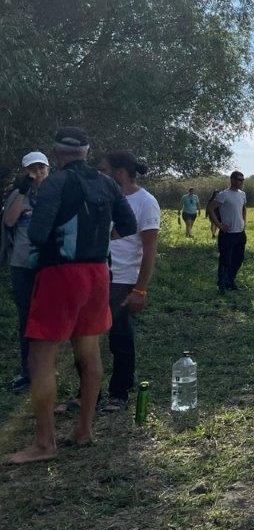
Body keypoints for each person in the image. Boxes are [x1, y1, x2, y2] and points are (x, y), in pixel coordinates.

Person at [5, 127, 136, 464]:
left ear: (57, 153)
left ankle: (44, 444)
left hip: (59, 274)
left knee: (41, 357)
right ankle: (84, 430)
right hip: (98, 273)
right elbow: (129, 225)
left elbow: (37, 233)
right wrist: (96, 240)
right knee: (89, 352)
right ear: (86, 152)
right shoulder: (107, 183)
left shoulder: (56, 183)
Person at [99, 152, 160, 413]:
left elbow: (149, 249)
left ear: (120, 173)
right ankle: (86, 394)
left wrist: (140, 289)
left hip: (124, 280)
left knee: (120, 339)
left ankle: (119, 393)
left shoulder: (145, 202)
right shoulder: (103, 198)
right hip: (97, 275)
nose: (100, 175)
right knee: (88, 340)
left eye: (104, 170)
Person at [2, 151, 50, 395]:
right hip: (22, 265)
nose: (38, 173)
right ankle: (27, 370)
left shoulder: (55, 193)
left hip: (48, 265)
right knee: (26, 318)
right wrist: (23, 192)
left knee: (48, 318)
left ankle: (46, 369)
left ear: (49, 169)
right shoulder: (18, 195)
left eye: (42, 168)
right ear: (25, 172)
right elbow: (9, 222)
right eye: (33, 169)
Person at [209, 171, 247, 294]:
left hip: (240, 233)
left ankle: (230, 282)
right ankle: (221, 285)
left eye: (243, 180)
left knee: (238, 259)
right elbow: (211, 209)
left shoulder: (242, 194)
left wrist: (243, 222)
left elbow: (243, 209)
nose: (241, 182)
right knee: (225, 260)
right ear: (232, 180)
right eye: (239, 179)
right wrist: (219, 225)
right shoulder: (224, 195)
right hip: (227, 234)